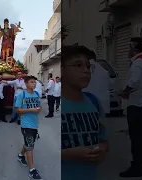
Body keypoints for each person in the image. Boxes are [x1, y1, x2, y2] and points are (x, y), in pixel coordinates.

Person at [61, 46, 108, 180]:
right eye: (78, 65)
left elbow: (104, 140)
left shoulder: (94, 102)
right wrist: (68, 154)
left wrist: (102, 150)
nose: (86, 70)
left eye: (88, 66)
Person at [119, 37, 142, 177]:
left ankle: (137, 167)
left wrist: (125, 90)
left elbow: (134, 80)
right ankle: (141, 166)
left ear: (134, 47)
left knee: (136, 139)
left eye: (129, 46)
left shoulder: (138, 63)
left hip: (137, 105)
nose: (128, 50)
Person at [15, 75, 42, 180]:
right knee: (30, 146)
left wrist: (39, 108)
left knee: (28, 143)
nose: (34, 84)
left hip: (35, 124)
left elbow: (38, 105)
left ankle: (21, 155)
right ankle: (32, 170)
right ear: (26, 84)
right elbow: (17, 109)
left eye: (35, 82)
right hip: (26, 124)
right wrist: (31, 110)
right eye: (31, 82)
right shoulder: (22, 94)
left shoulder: (36, 94)